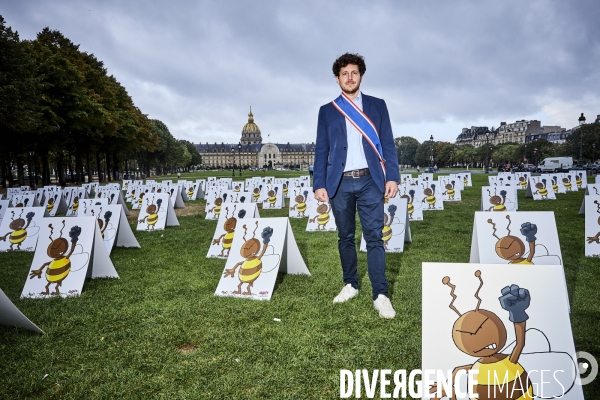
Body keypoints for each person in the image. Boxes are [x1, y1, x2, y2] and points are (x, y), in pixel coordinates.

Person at [313, 53, 400, 319]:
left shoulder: (377, 105)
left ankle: (380, 294)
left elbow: (387, 143)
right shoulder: (327, 111)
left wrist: (392, 177)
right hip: (339, 182)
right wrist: (319, 183)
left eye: (354, 72)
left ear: (360, 75)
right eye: (344, 74)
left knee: (374, 238)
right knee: (345, 237)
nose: (349, 78)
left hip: (369, 181)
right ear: (337, 78)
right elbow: (322, 150)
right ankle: (351, 283)